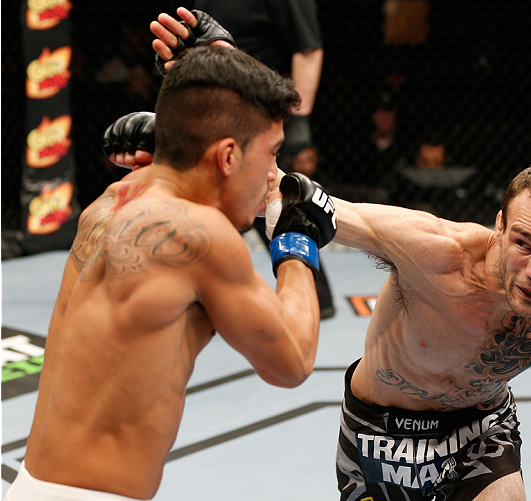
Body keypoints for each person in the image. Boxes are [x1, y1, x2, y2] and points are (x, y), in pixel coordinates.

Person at [114, 15, 531, 500]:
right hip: (378, 433)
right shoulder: (434, 250)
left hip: (481, 430)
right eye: (524, 243)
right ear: (498, 228)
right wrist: (216, 85)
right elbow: (294, 195)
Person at [3, 46, 337, 500]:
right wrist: (297, 241)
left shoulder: (108, 203)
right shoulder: (201, 235)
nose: (273, 177)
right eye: (271, 155)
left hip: (34, 485)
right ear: (227, 157)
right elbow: (292, 361)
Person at [153, 3, 335, 318]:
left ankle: (314, 295)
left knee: (273, 204)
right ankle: (202, 294)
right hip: (215, 122)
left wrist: (299, 122)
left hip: (263, 122)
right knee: (227, 213)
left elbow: (308, 48)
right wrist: (194, 76)